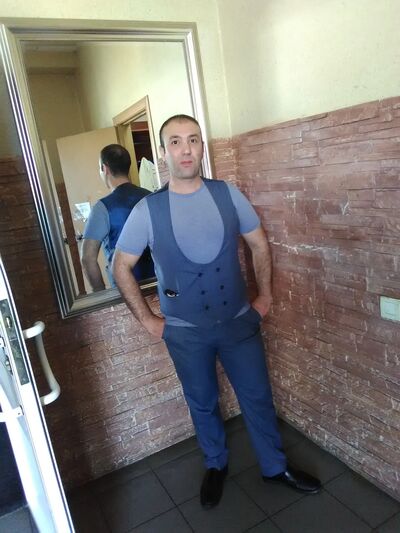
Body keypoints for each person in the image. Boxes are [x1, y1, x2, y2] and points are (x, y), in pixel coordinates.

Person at [113, 115, 321, 508]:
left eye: (193, 140)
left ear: (202, 148)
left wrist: (266, 297)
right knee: (203, 401)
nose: (186, 149)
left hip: (238, 322)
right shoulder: (147, 210)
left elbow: (259, 245)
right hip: (185, 331)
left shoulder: (228, 194)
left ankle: (275, 466)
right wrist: (148, 320)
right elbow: (120, 266)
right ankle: (215, 464)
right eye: (176, 142)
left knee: (258, 397)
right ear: (163, 153)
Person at [81, 144, 154, 291]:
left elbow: (88, 258)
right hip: (158, 284)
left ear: (105, 168)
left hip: (125, 292)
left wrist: (102, 295)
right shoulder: (152, 197)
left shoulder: (102, 208)